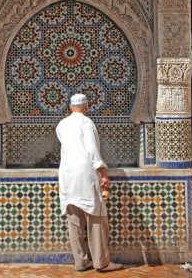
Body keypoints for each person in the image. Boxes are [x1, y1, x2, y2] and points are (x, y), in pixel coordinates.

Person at [56, 93, 123, 272]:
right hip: (86, 174)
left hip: (67, 175)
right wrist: (103, 174)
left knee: (74, 221)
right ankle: (102, 263)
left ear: (70, 107)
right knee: (96, 219)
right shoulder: (87, 123)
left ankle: (81, 262)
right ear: (86, 107)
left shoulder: (62, 124)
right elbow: (92, 150)